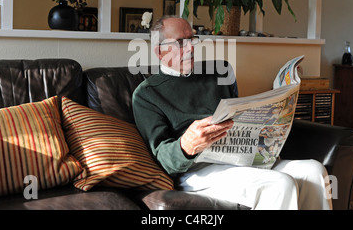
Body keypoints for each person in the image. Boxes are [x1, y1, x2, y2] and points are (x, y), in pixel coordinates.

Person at [132, 16, 332, 210]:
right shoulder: (147, 94)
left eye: (192, 39)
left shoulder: (218, 74)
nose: (191, 47)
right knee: (280, 184)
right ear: (160, 52)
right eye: (181, 42)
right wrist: (186, 145)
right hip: (197, 170)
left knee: (315, 171)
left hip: (239, 158)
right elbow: (162, 157)